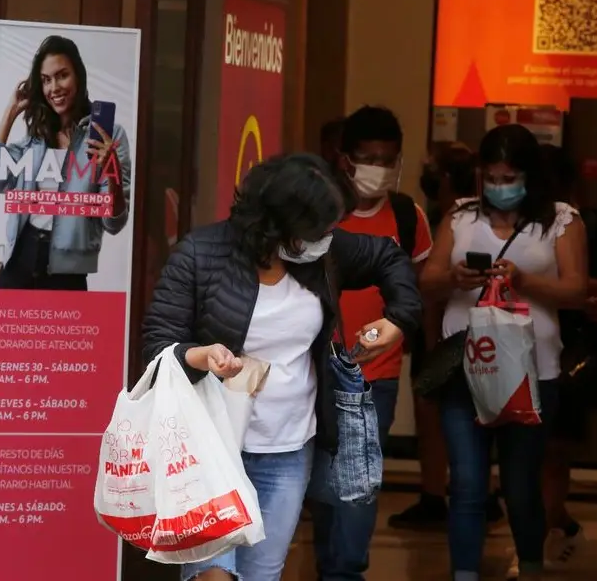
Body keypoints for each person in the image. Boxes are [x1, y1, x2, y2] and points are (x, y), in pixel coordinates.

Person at [142, 153, 423, 581]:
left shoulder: (322, 255)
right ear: (279, 224)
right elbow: (159, 344)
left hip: (287, 449)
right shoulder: (201, 254)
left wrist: (398, 319)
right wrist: (199, 356)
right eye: (317, 229)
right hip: (208, 449)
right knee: (212, 576)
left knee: (261, 575)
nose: (328, 237)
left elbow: (388, 256)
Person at [420, 124, 588, 581]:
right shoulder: (459, 218)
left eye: (508, 176)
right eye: (491, 177)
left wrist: (523, 281)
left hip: (532, 373)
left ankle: (530, 565)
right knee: (469, 483)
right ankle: (464, 573)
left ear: (529, 175)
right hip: (464, 371)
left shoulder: (560, 220)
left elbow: (575, 290)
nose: (499, 186)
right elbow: (427, 282)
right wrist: (455, 277)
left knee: (520, 484)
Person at [309, 105, 433, 579]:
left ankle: (346, 571)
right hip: (316, 371)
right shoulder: (319, 211)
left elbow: (415, 289)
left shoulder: (406, 216)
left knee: (358, 483)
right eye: (368, 157)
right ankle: (331, 566)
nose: (378, 169)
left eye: (388, 158)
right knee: (323, 484)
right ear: (344, 158)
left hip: (375, 376)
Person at [506, 144, 597, 574]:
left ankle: (538, 539)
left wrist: (556, 280)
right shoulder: (513, 226)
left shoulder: (586, 226)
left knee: (553, 452)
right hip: (516, 347)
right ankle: (558, 527)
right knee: (525, 457)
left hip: (569, 351)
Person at [389, 142, 508, 529]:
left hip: (447, 339)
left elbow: (430, 288)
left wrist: (428, 342)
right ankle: (470, 493)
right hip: (462, 338)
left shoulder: (452, 220)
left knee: (446, 419)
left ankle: (439, 495)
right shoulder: (459, 218)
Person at [0, 35, 132, 291]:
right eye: (45, 80)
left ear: (79, 76)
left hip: (68, 271)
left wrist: (113, 172)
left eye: (62, 75)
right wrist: (11, 111)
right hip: (21, 258)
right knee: (4, 331)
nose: (54, 87)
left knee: (64, 332)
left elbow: (114, 223)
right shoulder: (36, 137)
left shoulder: (108, 135)